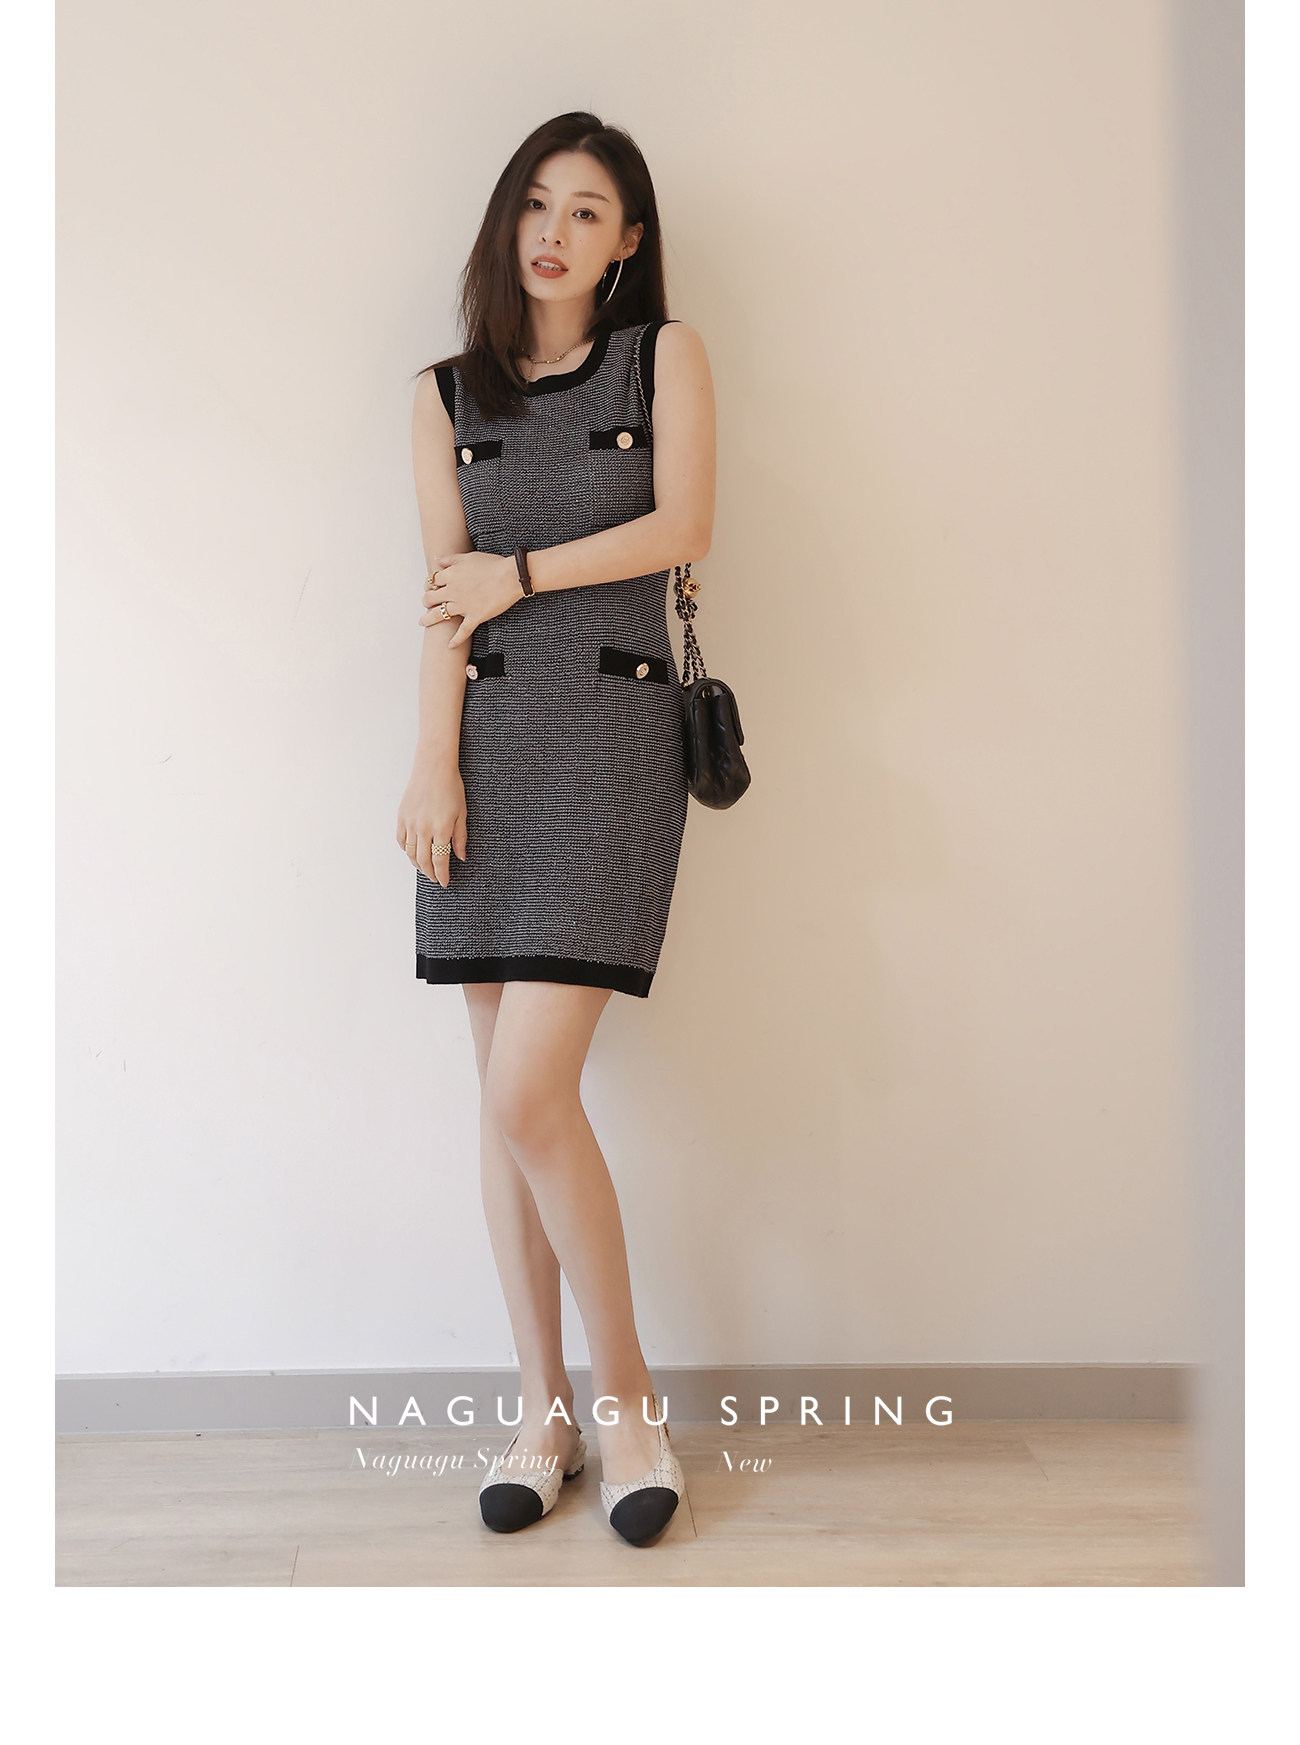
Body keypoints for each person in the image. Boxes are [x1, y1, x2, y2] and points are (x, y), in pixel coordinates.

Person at [396, 112, 716, 1546]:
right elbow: (441, 596)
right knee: (499, 1100)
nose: (555, 231)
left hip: (609, 736)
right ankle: (543, 1410)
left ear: (627, 242)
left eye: (588, 211)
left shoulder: (664, 360)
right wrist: (431, 766)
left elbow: (682, 524)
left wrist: (518, 571)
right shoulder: (443, 395)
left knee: (532, 1092)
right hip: (485, 755)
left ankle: (629, 1399)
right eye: (538, 202)